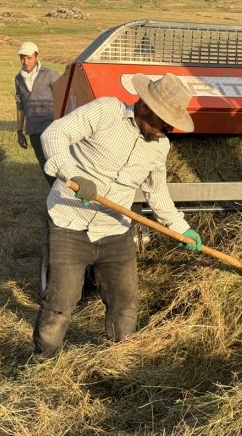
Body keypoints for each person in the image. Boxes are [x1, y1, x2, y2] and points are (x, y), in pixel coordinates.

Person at [32, 72, 203, 359]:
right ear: (147, 107)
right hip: (69, 223)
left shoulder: (160, 147)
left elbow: (156, 192)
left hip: (115, 230)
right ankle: (42, 360)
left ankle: (119, 359)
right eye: (165, 123)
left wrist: (181, 227)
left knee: (125, 304)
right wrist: (72, 175)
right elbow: (54, 134)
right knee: (61, 301)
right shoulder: (107, 111)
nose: (167, 131)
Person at [15, 41, 59, 187]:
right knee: (45, 166)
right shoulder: (18, 78)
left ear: (36, 57)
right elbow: (20, 105)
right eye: (22, 58)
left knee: (58, 164)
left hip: (52, 128)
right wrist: (19, 131)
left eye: (29, 58)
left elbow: (62, 99)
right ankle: (56, 194)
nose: (25, 62)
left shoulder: (50, 74)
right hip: (34, 129)